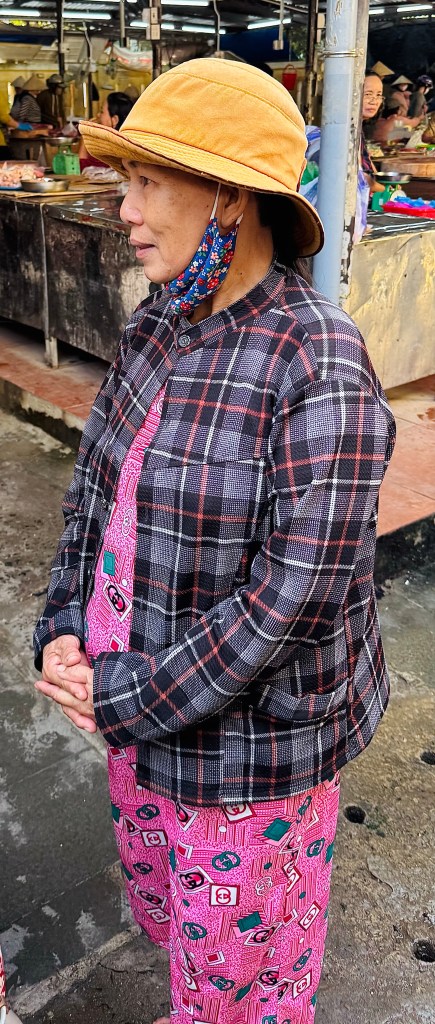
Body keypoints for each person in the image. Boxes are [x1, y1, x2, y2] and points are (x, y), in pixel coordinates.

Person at [33, 57, 396, 1024]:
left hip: (246, 758)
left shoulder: (318, 363)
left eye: (149, 183)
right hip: (140, 726)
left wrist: (120, 693)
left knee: (240, 969)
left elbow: (289, 604)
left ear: (230, 198)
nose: (125, 210)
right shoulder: (159, 322)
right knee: (179, 921)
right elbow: (93, 496)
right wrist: (63, 626)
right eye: (127, 181)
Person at [78, 91, 133, 170]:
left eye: (102, 112)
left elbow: (83, 168)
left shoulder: (109, 150)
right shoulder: (128, 143)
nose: (98, 115)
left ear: (114, 120)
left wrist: (85, 133)